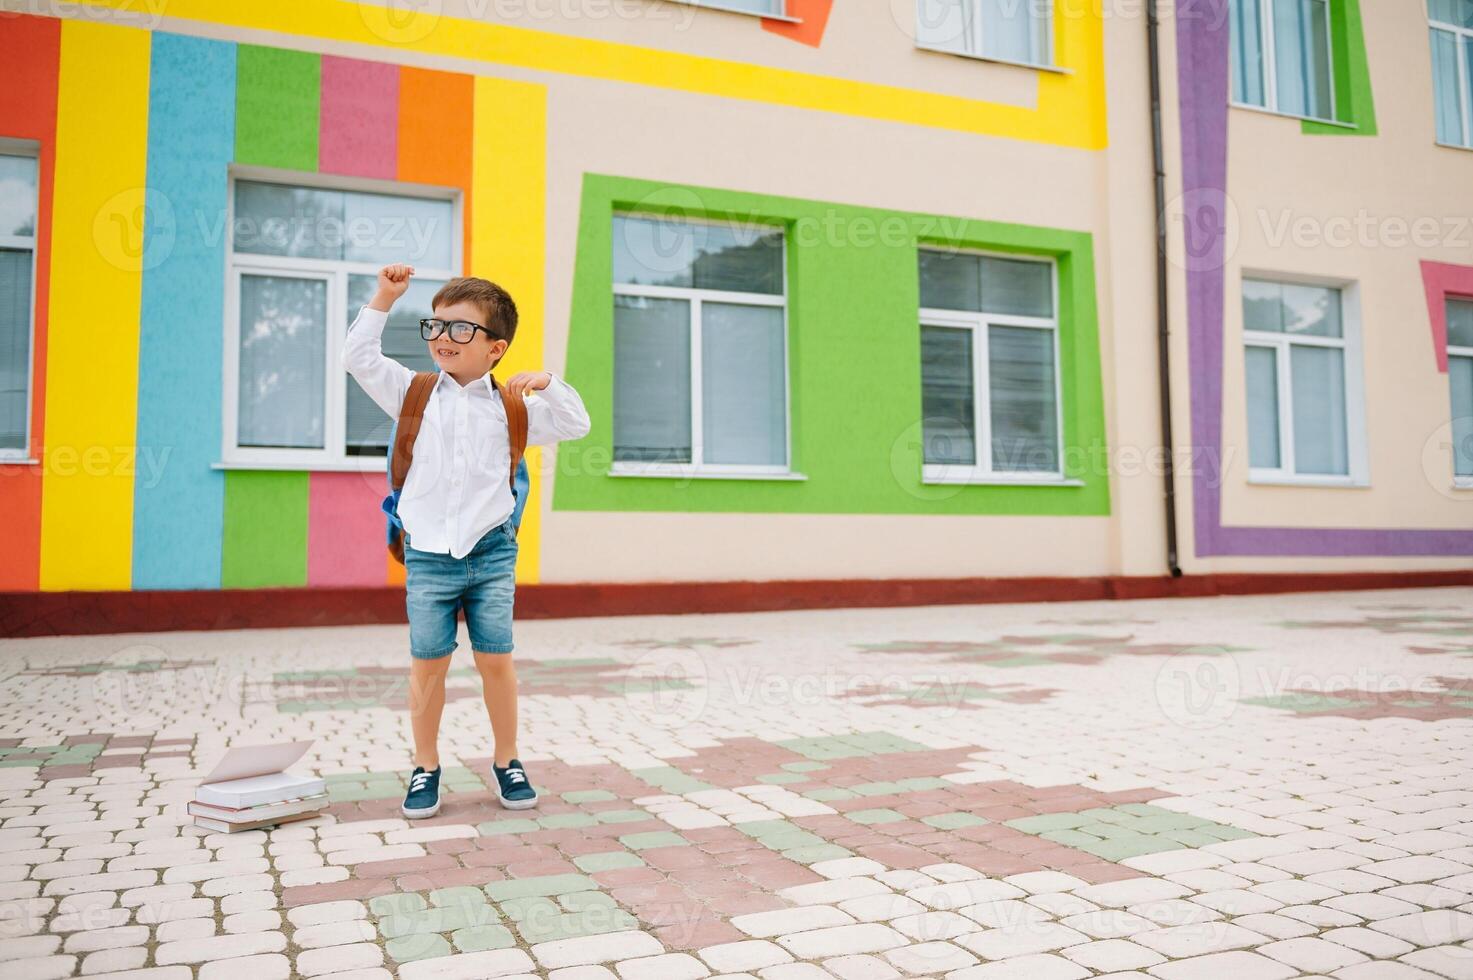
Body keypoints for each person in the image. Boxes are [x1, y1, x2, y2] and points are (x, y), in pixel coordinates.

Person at [344, 263, 590, 817]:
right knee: (427, 662)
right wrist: (385, 297)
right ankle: (426, 766)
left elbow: (576, 425)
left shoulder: (513, 407)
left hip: (493, 551)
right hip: (428, 554)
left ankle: (507, 761)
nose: (442, 338)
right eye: (434, 326)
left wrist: (550, 382)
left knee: (495, 658)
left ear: (495, 348)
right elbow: (357, 357)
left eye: (460, 329)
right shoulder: (412, 391)